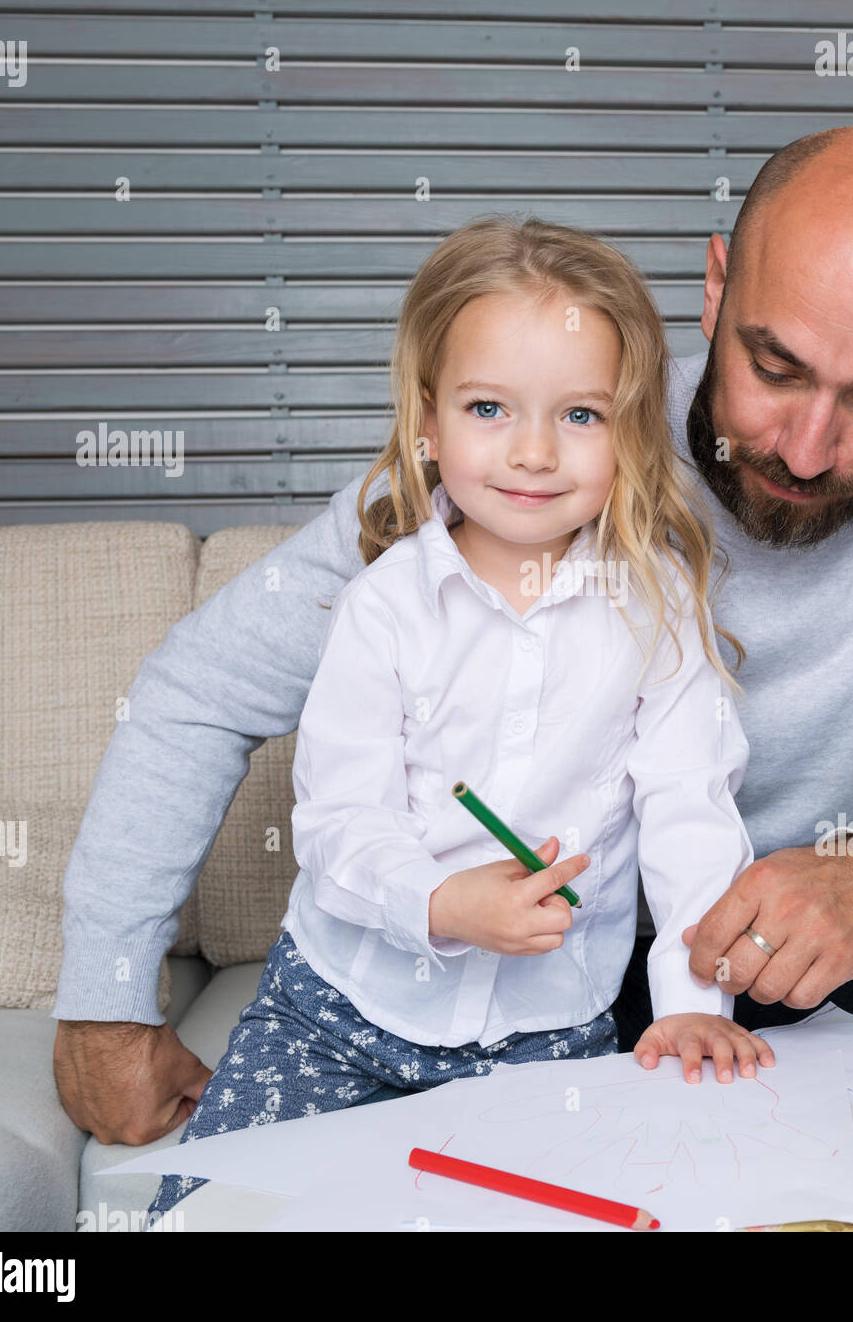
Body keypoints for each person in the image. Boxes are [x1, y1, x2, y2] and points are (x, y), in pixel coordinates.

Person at [54, 126, 853, 1159]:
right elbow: (198, 689)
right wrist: (104, 1006)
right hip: (558, 953)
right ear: (715, 288)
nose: (805, 447)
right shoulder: (539, 429)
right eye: (775, 366)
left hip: (798, 947)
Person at [143, 215, 777, 1218]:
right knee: (212, 1217)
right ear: (427, 421)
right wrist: (441, 906)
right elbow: (338, 824)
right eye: (490, 407)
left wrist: (694, 1008)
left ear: (633, 432)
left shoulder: (657, 612)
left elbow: (689, 816)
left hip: (548, 1034)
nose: (532, 451)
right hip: (338, 1013)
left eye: (580, 415)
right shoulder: (381, 609)